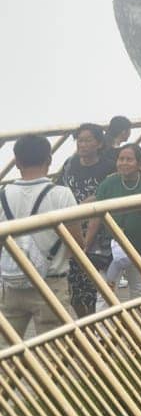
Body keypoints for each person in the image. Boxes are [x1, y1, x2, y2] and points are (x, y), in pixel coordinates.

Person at [0, 134, 76, 338]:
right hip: (51, 283)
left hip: (10, 284)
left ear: (16, 162)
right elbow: (76, 241)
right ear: (49, 160)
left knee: (5, 348)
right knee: (54, 350)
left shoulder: (3, 194)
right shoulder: (61, 194)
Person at [88, 144, 141, 311]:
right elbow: (96, 218)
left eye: (129, 159)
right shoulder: (108, 184)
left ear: (140, 164)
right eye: (121, 159)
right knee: (106, 292)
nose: (123, 163)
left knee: (140, 293)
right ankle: (104, 335)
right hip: (112, 251)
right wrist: (86, 246)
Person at [56, 122, 115, 316]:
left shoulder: (108, 167)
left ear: (99, 143)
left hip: (99, 232)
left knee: (95, 285)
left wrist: (87, 203)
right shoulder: (69, 164)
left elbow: (108, 193)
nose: (82, 144)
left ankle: (96, 329)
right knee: (74, 284)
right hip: (71, 229)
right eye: (79, 140)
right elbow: (58, 188)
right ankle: (85, 325)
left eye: (88, 140)